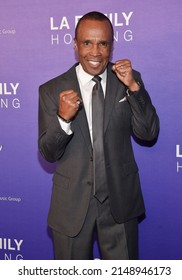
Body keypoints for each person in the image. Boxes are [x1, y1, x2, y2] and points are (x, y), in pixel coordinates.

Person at [38, 11, 159, 260]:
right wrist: (63, 120)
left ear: (111, 46)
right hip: (72, 206)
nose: (95, 52)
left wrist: (134, 89)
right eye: (87, 43)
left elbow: (148, 133)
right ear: (75, 44)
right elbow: (48, 153)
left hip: (120, 203)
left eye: (103, 43)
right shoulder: (51, 90)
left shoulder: (129, 80)